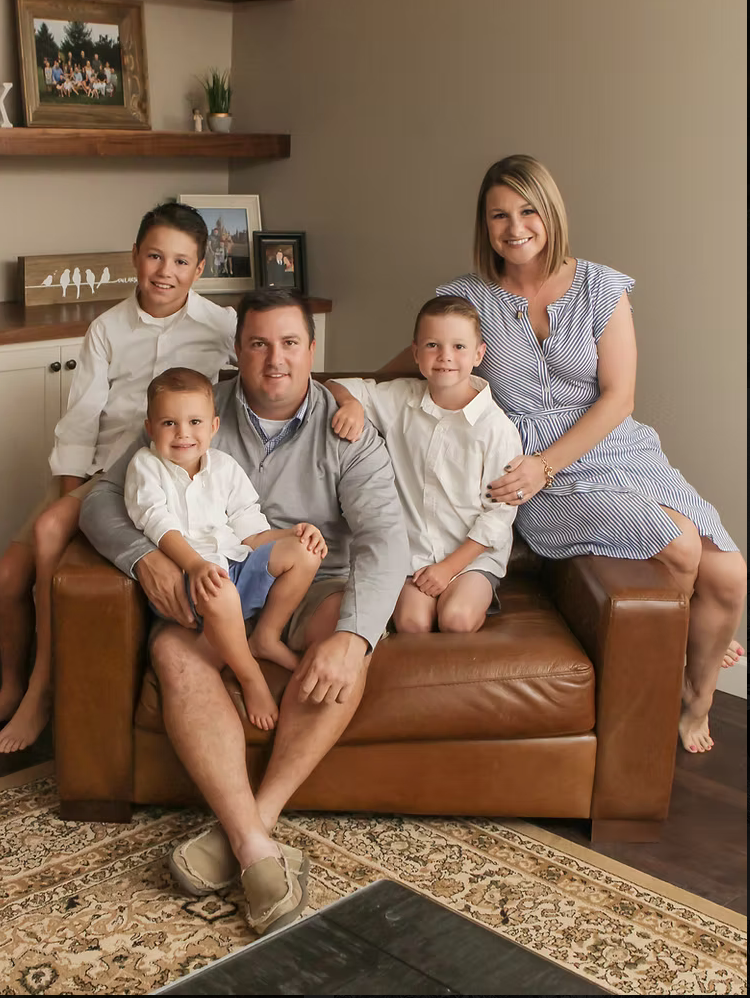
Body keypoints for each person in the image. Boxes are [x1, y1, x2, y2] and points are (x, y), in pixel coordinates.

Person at [384, 154, 746, 754]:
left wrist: (547, 460)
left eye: (528, 210)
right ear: (484, 224)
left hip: (613, 450)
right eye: (498, 215)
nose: (514, 226)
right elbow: (421, 359)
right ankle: (669, 658)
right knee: (680, 545)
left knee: (730, 574)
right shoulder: (467, 298)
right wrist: (335, 392)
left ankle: (695, 697)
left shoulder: (603, 287)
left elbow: (619, 398)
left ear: (551, 214)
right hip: (532, 481)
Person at [79, 290, 409, 936]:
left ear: (313, 353)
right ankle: (258, 852)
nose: (275, 360)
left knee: (344, 627)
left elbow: (386, 539)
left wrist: (357, 638)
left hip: (309, 583)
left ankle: (252, 823)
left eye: (290, 344)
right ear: (238, 351)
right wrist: (144, 559)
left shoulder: (347, 429)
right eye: (258, 344)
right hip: (214, 582)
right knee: (173, 651)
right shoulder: (196, 412)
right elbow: (101, 502)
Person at [0, 202, 238, 753]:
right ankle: (11, 688)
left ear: (200, 269)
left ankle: (42, 693)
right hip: (97, 468)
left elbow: (262, 368)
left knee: (48, 536)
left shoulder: (220, 325)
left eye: (181, 261)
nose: (165, 271)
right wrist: (69, 502)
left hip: (154, 470)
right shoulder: (106, 328)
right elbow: (82, 420)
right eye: (154, 255)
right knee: (10, 572)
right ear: (135, 256)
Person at [125, 366, 328, 730]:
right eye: (169, 423)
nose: (184, 433)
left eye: (195, 422)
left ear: (213, 427)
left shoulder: (224, 467)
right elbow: (157, 524)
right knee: (219, 588)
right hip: (188, 581)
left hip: (234, 566)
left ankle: (265, 636)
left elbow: (250, 532)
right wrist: (195, 565)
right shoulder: (146, 466)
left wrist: (293, 535)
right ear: (150, 427)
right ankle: (250, 676)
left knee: (305, 551)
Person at [326, 295, 522, 633]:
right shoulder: (399, 399)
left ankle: (474, 599)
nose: (445, 356)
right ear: (416, 353)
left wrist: (448, 569)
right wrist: (351, 405)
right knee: (411, 623)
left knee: (456, 619)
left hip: (471, 556)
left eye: (459, 346)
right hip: (413, 555)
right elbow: (336, 385)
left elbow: (498, 517)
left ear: (479, 354)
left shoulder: (496, 428)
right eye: (433, 345)